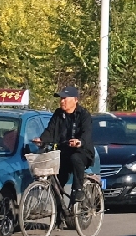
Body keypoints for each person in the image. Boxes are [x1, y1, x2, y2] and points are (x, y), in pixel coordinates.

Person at [35, 90, 94, 218]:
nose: (62, 101)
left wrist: (79, 142)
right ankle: (59, 214)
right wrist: (42, 139)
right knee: (56, 182)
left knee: (75, 158)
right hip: (63, 151)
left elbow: (86, 133)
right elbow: (50, 130)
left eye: (65, 99)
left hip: (82, 151)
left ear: (75, 100)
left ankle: (78, 190)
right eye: (61, 99)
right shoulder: (58, 114)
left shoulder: (84, 115)